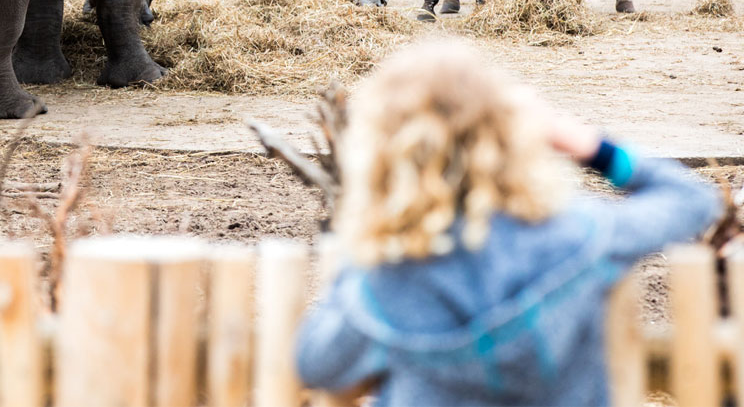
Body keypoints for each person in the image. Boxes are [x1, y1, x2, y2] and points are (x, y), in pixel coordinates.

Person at [295, 38, 722, 406]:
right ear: (507, 134)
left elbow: (315, 363)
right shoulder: (578, 235)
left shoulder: (384, 281)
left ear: (386, 153)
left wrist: (370, 231)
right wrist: (591, 147)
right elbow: (692, 198)